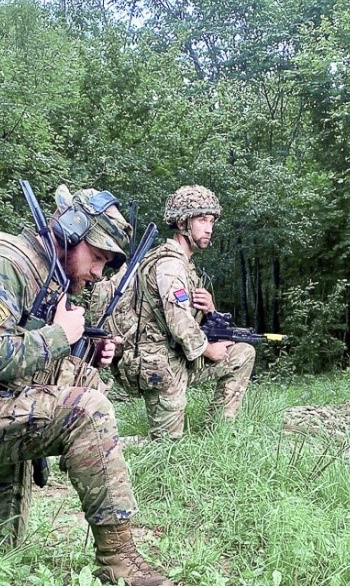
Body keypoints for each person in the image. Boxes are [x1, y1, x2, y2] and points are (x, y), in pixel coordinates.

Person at [0, 185, 171, 586]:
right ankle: (119, 557)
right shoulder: (2, 264)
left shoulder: (44, 276)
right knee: (89, 411)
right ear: (70, 233)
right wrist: (62, 334)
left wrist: (86, 349)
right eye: (97, 257)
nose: (99, 271)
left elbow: (27, 356)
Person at [106, 185, 255, 440]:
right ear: (183, 223)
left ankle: (217, 433)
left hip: (179, 358)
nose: (209, 228)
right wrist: (210, 350)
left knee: (242, 354)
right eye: (201, 220)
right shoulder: (170, 265)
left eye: (211, 221)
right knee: (166, 446)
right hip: (160, 366)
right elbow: (180, 323)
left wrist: (210, 309)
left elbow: (187, 317)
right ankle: (102, 445)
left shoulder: (185, 264)